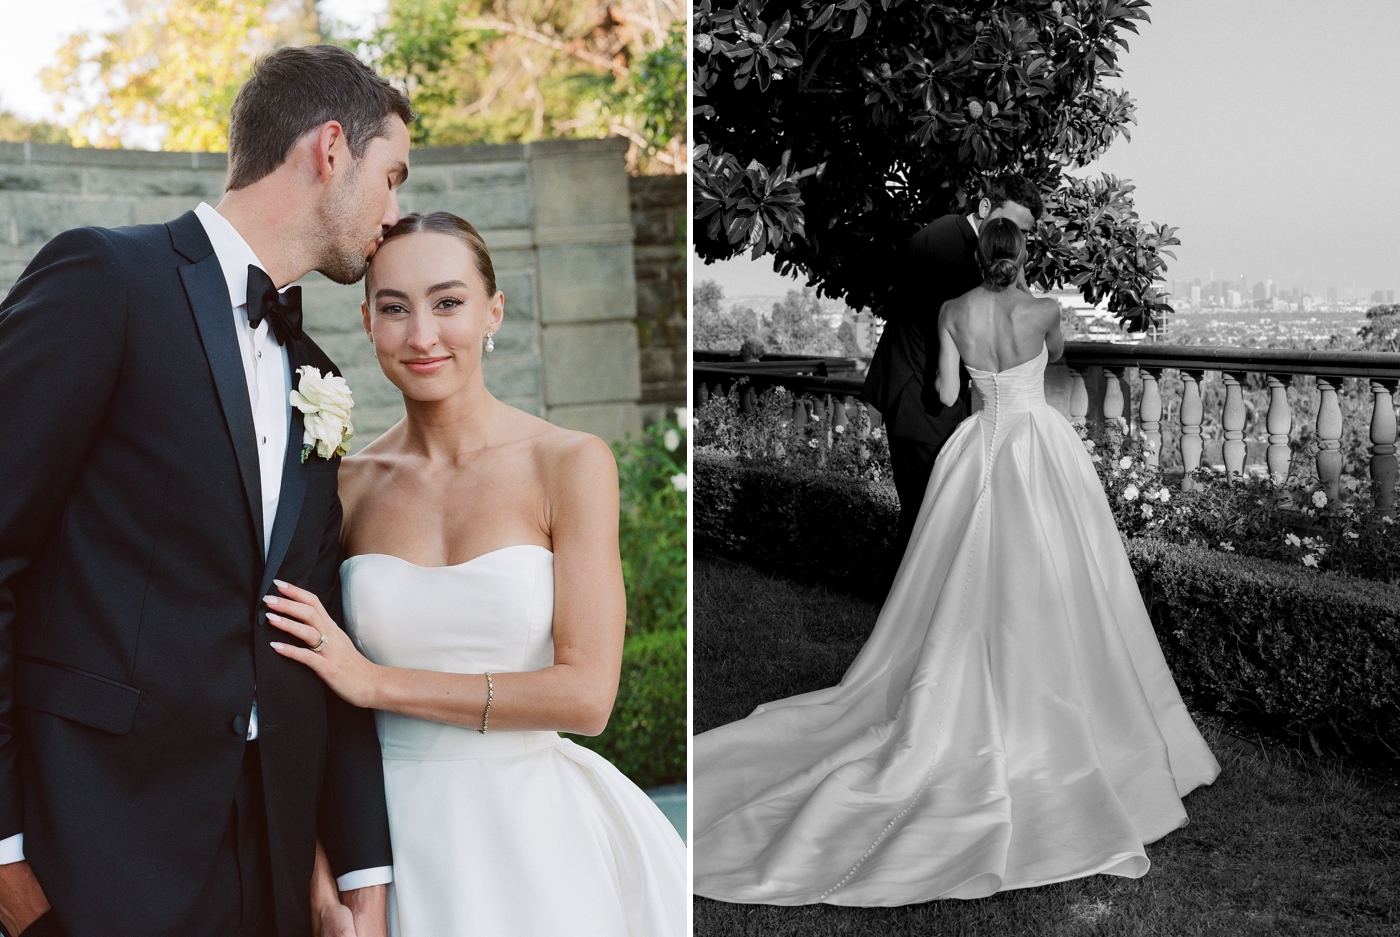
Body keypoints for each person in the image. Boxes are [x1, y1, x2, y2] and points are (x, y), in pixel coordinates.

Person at [0, 45, 409, 937]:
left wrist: (362, 865)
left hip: (267, 868)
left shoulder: (318, 375)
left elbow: (315, 627)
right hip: (96, 858)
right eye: (392, 176)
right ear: (330, 149)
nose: (396, 210)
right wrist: (7, 863)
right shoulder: (105, 279)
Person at [693, 218, 1221, 906]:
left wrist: (977, 383)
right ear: (1024, 255)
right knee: (1065, 577)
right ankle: (1065, 705)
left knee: (962, 584)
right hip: (1039, 447)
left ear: (978, 256)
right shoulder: (1044, 311)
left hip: (978, 446)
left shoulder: (952, 311)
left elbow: (946, 391)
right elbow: (1056, 359)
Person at [260, 212, 687, 937]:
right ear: (367, 321)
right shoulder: (344, 485)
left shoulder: (569, 463)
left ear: (494, 310)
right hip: (386, 850)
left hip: (531, 838)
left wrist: (377, 681)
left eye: (448, 302)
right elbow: (297, 696)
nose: (422, 335)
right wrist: (325, 875)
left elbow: (588, 697)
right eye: (394, 308)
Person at [861, 175, 1043, 557]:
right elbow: (973, 328)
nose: (1015, 240)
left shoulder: (961, 240)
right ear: (984, 209)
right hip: (921, 398)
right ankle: (907, 613)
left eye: (1022, 233)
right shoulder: (947, 245)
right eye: (1009, 226)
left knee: (934, 516)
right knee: (926, 518)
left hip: (935, 397)